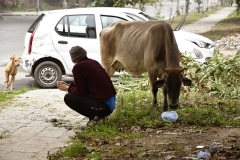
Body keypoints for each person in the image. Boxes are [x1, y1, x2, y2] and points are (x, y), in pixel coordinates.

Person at [57, 46, 116, 127]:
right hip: (110, 104)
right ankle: (97, 116)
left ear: (73, 58)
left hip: (104, 107)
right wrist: (69, 85)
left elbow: (80, 92)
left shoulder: (78, 67)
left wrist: (67, 88)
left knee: (69, 97)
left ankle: (95, 118)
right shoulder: (93, 62)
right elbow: (84, 84)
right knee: (75, 93)